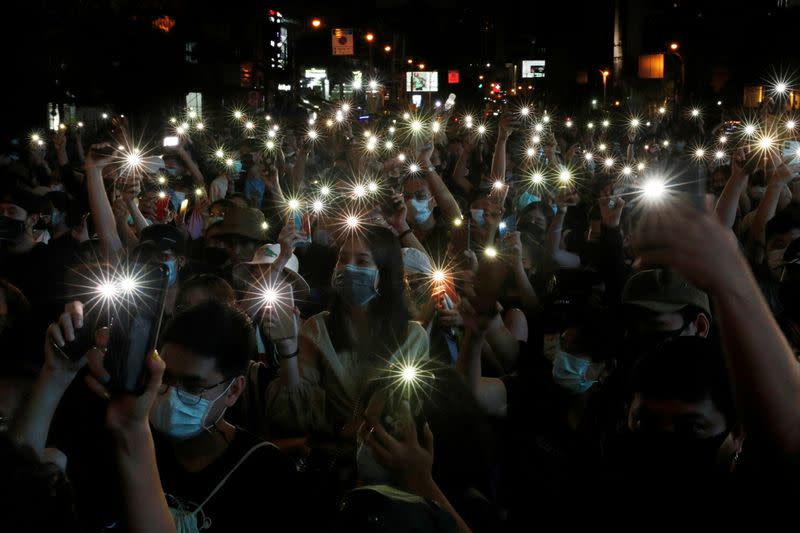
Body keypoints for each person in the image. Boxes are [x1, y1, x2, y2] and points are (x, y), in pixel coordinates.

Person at [266, 225, 429, 439]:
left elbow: (404, 415)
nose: (347, 268)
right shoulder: (317, 328)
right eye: (342, 259)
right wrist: (287, 348)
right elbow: (292, 414)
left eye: (362, 261)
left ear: (385, 272)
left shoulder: (413, 336)